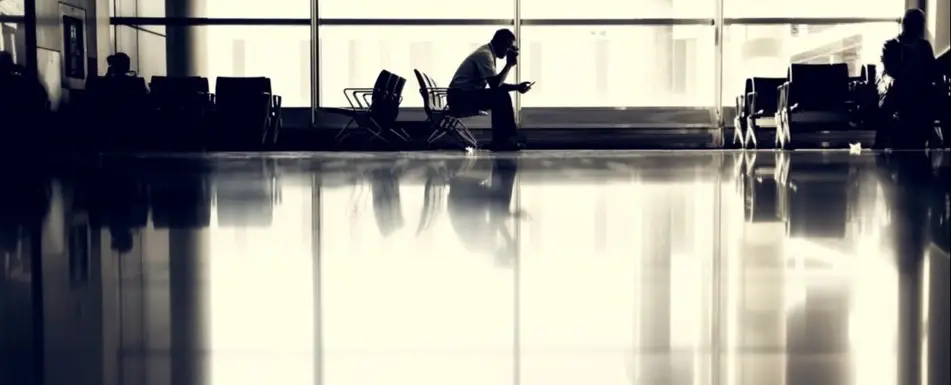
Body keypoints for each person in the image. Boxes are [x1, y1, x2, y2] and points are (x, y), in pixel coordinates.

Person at [448, 29, 533, 151]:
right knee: (501, 96)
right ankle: (504, 141)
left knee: (500, 95)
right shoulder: (485, 55)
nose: (508, 50)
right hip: (460, 98)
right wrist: (508, 65)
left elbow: (496, 85)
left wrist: (517, 87)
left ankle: (503, 140)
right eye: (508, 47)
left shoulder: (488, 53)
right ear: (499, 43)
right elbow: (495, 85)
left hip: (462, 96)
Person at [876, 8, 938, 149]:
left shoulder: (923, 46)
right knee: (891, 97)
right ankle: (881, 139)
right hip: (901, 88)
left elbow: (932, 70)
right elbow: (892, 71)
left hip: (919, 89)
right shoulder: (891, 46)